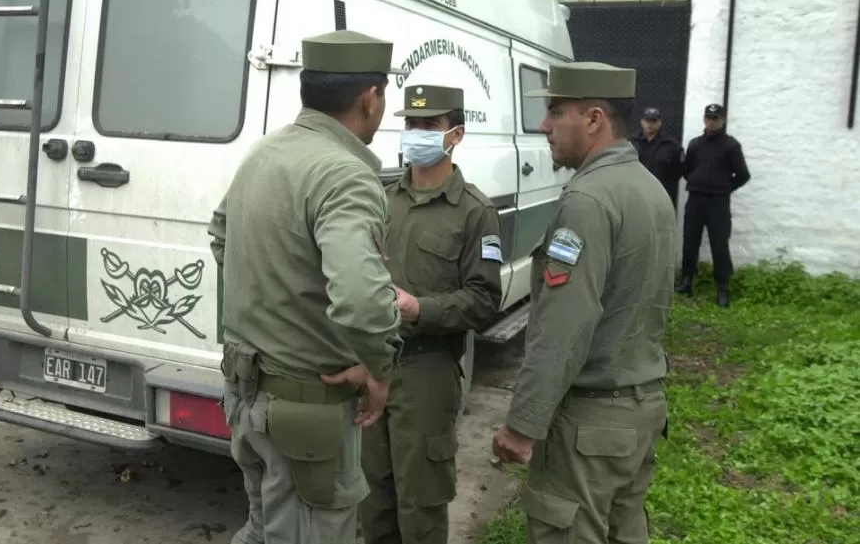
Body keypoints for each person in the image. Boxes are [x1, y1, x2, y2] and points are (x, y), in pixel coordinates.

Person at [208, 29, 404, 544]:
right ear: (371, 97)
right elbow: (361, 303)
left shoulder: (266, 152)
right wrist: (379, 370)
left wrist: (268, 313)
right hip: (305, 414)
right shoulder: (344, 174)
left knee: (262, 529)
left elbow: (221, 237)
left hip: (247, 394)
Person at [491, 61, 676, 544]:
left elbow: (563, 326)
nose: (545, 127)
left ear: (594, 119)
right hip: (639, 409)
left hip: (589, 424)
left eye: (555, 112)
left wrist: (522, 425)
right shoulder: (649, 189)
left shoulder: (589, 200)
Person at [359, 84, 503, 544]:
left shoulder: (475, 212)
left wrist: (421, 309)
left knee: (420, 506)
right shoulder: (383, 199)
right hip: (374, 363)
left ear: (455, 134)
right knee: (373, 498)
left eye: (430, 125)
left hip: (428, 372)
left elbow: (484, 300)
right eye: (411, 124)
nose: (416, 133)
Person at [676, 103, 751, 308]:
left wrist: (725, 188)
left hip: (718, 202)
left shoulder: (730, 145)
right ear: (704, 119)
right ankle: (687, 280)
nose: (711, 122)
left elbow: (743, 175)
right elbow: (686, 169)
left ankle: (722, 287)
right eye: (708, 118)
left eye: (716, 118)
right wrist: (696, 180)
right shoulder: (695, 144)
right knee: (690, 240)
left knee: (719, 244)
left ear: (723, 120)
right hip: (696, 199)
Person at [630, 107, 683, 209]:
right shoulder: (632, 141)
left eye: (653, 121)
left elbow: (678, 171)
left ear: (660, 122)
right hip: (635, 193)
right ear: (642, 122)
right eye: (647, 121)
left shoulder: (671, 144)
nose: (649, 124)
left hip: (660, 193)